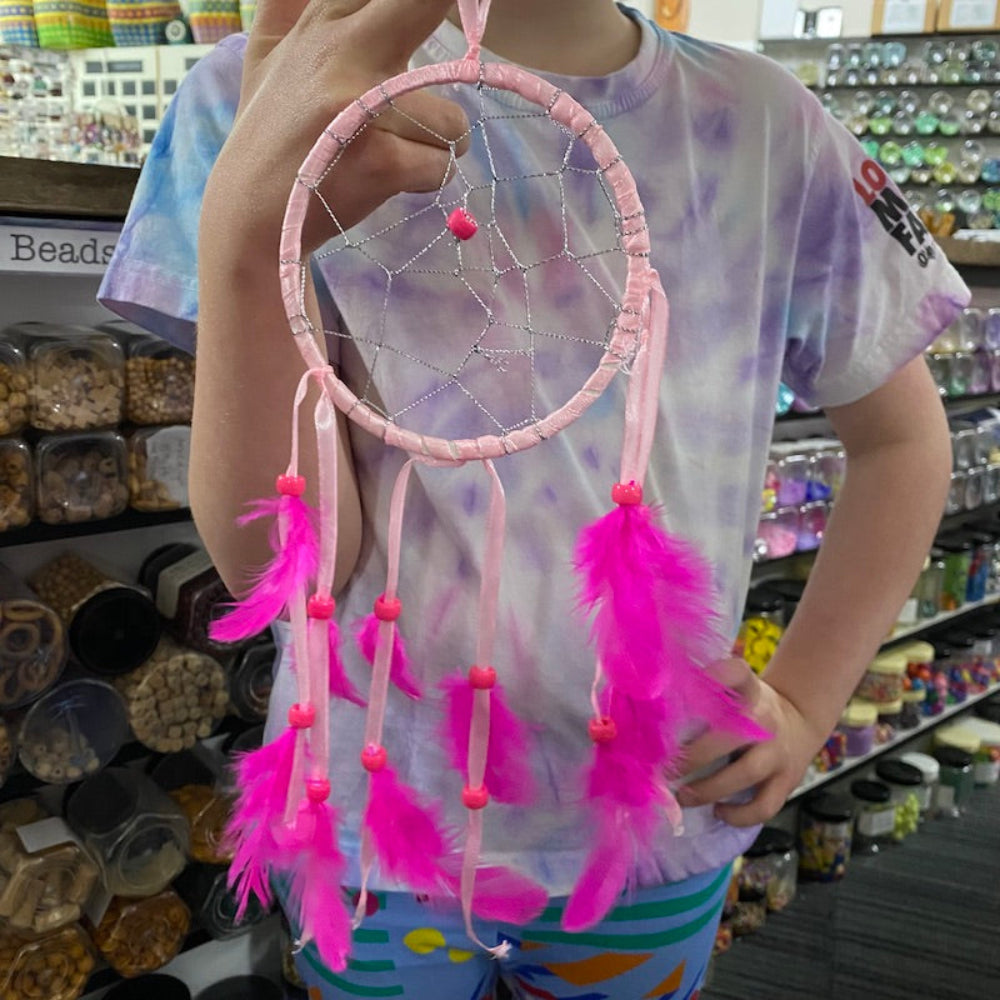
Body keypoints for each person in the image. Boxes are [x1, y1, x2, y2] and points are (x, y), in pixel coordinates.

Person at [99, 2, 967, 997]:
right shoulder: (272, 91)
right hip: (380, 827)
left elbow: (900, 436)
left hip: (657, 811)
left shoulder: (767, 124)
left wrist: (809, 697)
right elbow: (280, 569)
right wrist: (250, 245)